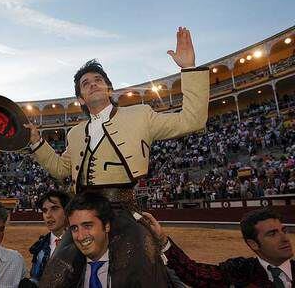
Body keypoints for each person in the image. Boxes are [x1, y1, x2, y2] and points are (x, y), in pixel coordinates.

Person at [25, 27, 209, 287]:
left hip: (123, 210)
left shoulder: (140, 115)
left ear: (109, 88)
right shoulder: (75, 133)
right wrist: (36, 144)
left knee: (138, 273)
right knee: (55, 276)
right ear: (80, 98)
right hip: (82, 212)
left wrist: (189, 69)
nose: (93, 84)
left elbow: (192, 119)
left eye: (98, 79)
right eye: (85, 84)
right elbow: (60, 169)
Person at [143, 208, 294, 287]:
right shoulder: (240, 271)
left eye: (284, 230)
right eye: (272, 234)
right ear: (253, 244)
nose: (284, 238)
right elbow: (194, 273)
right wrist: (162, 240)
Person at [27, 190, 71, 286]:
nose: (48, 215)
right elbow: (35, 278)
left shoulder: (79, 242)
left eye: (54, 209)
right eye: (45, 211)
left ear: (67, 211)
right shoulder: (40, 247)